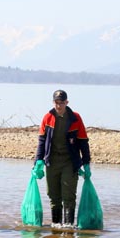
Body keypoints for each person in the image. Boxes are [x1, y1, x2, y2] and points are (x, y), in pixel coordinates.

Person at [34, 90, 91, 227]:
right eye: (56, 103)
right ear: (53, 102)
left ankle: (69, 227)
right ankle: (56, 227)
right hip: (52, 161)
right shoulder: (47, 118)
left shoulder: (75, 118)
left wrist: (86, 162)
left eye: (61, 103)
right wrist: (38, 162)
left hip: (69, 162)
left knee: (68, 196)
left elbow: (83, 141)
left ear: (67, 102)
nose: (59, 106)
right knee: (53, 196)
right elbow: (42, 141)